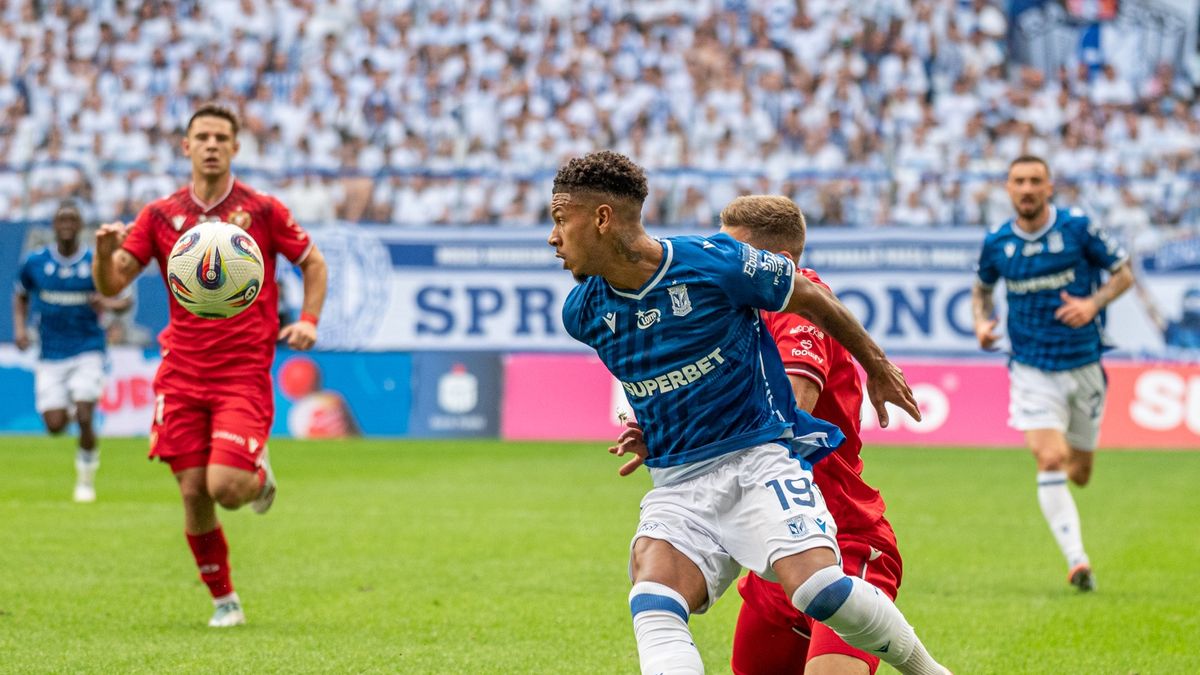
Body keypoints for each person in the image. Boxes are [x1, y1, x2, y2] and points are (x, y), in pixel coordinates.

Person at [549, 151, 949, 675]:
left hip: (758, 460)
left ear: (601, 218)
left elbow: (806, 294)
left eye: (559, 219)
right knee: (653, 597)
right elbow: (653, 368)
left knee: (820, 590)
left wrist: (875, 365)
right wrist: (651, 425)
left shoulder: (711, 262)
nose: (553, 237)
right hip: (678, 480)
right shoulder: (583, 314)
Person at [610, 195, 904, 675]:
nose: (725, 262)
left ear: (779, 263)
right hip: (774, 551)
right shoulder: (731, 311)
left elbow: (787, 412)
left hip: (843, 540)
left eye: (736, 250)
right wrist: (666, 431)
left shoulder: (804, 303)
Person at [92, 102, 329, 627]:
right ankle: (224, 599)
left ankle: (257, 476)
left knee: (225, 488)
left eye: (222, 136)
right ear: (186, 146)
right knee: (194, 493)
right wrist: (101, 251)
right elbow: (111, 285)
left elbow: (312, 261)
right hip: (181, 373)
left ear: (235, 147)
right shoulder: (158, 216)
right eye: (203, 136)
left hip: (242, 370)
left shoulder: (262, 211)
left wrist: (308, 319)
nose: (213, 144)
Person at [972, 155, 1132, 592]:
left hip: (1084, 366)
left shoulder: (1077, 228)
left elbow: (1124, 274)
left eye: (1035, 181)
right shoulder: (996, 242)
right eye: (1018, 181)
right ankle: (1077, 561)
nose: (1026, 188)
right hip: (1031, 369)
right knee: (1049, 457)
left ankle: (1075, 531)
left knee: (1080, 472)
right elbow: (982, 291)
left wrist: (1092, 304)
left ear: (1049, 187)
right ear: (1007, 188)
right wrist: (982, 324)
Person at [13, 200, 131, 503]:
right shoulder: (35, 262)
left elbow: (125, 300)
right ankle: (67, 412)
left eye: (72, 219)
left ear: (80, 226)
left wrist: (108, 304)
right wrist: (20, 329)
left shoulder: (95, 261)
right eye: (61, 218)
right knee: (54, 426)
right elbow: (21, 296)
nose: (66, 224)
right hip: (50, 352)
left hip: (87, 347)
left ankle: (86, 481)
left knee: (85, 412)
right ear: (54, 225)